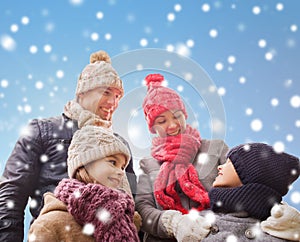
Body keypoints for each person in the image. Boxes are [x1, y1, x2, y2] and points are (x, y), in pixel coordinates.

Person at [0, 50, 137, 242]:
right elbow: (11, 194)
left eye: (117, 96)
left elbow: (133, 205)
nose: (113, 103)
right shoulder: (42, 131)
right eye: (106, 92)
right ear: (82, 92)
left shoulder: (120, 146)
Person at [135, 73, 229, 241]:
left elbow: (240, 188)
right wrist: (174, 224)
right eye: (162, 121)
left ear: (184, 115)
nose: (172, 125)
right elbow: (143, 208)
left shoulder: (216, 148)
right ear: (152, 127)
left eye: (176, 116)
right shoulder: (148, 164)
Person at [28, 121, 140, 241]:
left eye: (122, 167)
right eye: (113, 162)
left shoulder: (126, 219)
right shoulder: (49, 225)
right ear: (84, 164)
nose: (121, 172)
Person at [202, 142, 299, 241]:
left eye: (230, 163)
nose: (220, 167)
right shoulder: (195, 225)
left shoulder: (279, 236)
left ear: (255, 174)